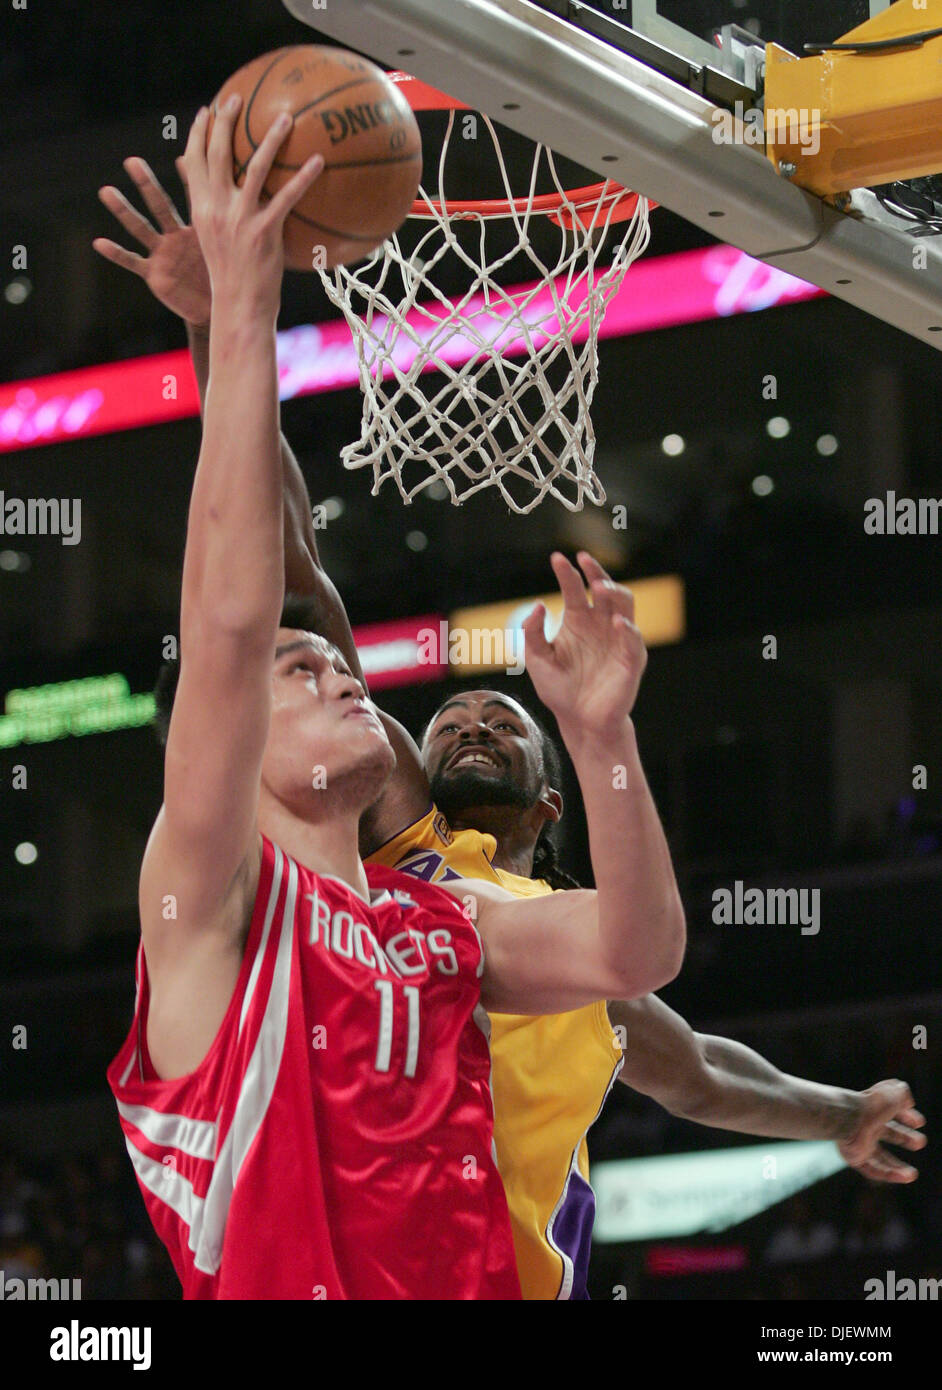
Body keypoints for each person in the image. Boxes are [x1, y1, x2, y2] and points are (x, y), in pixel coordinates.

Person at [96, 151, 926, 1302]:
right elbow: (269, 574)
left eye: (502, 714)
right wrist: (222, 325)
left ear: (550, 798)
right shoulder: (379, 829)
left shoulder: (486, 932)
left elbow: (701, 1063)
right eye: (448, 714)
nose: (472, 718)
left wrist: (842, 1113)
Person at [105, 98, 685, 1301]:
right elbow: (227, 616)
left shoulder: (443, 922)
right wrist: (241, 317)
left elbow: (641, 947)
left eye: (335, 664)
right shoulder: (212, 898)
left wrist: (601, 735)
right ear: (230, 740)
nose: (338, 671)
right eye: (300, 669)